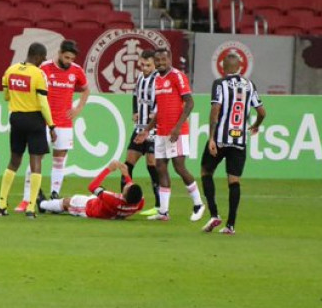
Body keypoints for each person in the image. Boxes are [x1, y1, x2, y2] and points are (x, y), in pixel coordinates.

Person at [16, 39, 89, 211]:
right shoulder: (44, 68)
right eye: (66, 57)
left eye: (71, 59)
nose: (69, 61)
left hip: (64, 123)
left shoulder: (76, 71)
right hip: (44, 122)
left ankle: (55, 193)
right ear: (59, 53)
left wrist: (78, 108)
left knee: (59, 159)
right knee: (36, 158)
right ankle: (27, 199)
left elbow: (86, 89)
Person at [200, 51, 266, 235]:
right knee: (234, 180)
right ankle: (230, 225)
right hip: (239, 140)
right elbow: (262, 112)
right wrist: (255, 126)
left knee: (206, 171)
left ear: (222, 67)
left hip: (221, 138)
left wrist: (211, 137)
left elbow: (216, 109)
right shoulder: (249, 85)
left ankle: (214, 214)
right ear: (239, 67)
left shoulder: (220, 84)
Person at [135, 46, 205, 222]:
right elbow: (159, 110)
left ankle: (198, 204)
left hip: (177, 132)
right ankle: (164, 212)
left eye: (163, 60)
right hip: (162, 131)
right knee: (160, 167)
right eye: (157, 60)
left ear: (170, 59)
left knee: (179, 167)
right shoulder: (157, 79)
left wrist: (178, 127)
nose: (160, 63)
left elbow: (189, 103)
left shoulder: (177, 76)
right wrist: (147, 130)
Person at [0, 42, 57, 218]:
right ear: (36, 57)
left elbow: (6, 96)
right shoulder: (39, 75)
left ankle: (1, 204)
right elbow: (43, 103)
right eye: (42, 59)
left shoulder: (10, 71)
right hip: (34, 120)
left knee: (14, 160)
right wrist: (51, 126)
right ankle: (30, 207)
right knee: (35, 162)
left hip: (16, 119)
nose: (42, 62)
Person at [122, 49, 162, 216]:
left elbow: (164, 100)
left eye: (148, 65)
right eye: (142, 64)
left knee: (152, 165)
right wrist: (134, 111)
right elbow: (134, 95)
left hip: (154, 129)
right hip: (139, 128)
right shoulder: (140, 77)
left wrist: (156, 113)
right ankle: (124, 201)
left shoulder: (159, 79)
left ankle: (160, 206)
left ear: (155, 64)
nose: (144, 68)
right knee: (127, 164)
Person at [37, 160, 144, 219]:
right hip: (105, 207)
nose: (128, 184)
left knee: (67, 202)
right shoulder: (138, 203)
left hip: (89, 209)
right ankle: (54, 207)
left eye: (127, 186)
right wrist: (126, 175)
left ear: (125, 193)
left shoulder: (112, 199)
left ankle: (42, 204)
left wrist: (108, 169)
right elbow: (133, 191)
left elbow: (92, 186)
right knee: (101, 191)